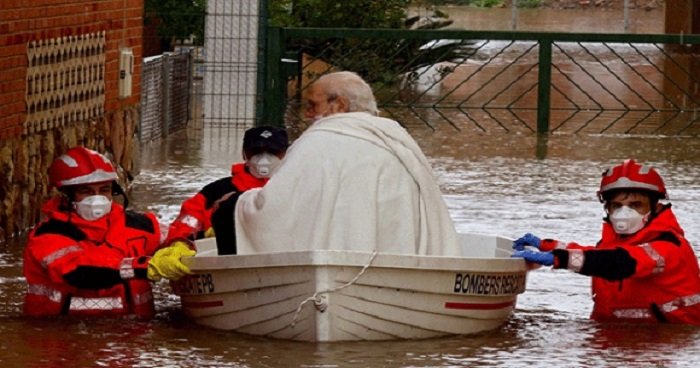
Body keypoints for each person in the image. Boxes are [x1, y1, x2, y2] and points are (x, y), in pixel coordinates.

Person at [233, 71, 461, 256]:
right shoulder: (399, 139)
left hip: (326, 268)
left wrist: (241, 203)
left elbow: (273, 210)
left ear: (339, 105)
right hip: (396, 269)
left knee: (229, 210)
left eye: (313, 105)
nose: (307, 113)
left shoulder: (317, 140)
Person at [512, 159, 700, 325]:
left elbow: (620, 262)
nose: (624, 213)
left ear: (656, 207)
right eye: (616, 206)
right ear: (607, 208)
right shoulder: (616, 242)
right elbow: (598, 254)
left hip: (667, 338)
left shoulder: (670, 246)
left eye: (636, 205)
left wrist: (558, 258)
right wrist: (548, 246)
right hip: (618, 337)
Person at [23, 146, 171, 318]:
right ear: (67, 196)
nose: (97, 199)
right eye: (86, 191)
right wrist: (146, 267)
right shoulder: (48, 236)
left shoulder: (140, 225)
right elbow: (81, 272)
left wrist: (182, 246)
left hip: (133, 336)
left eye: (104, 190)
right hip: (67, 335)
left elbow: (175, 235)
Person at [164, 126, 289, 257]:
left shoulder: (295, 188)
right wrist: (180, 242)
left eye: (273, 152)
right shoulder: (215, 191)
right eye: (256, 151)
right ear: (244, 154)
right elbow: (188, 219)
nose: (264, 158)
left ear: (286, 155)